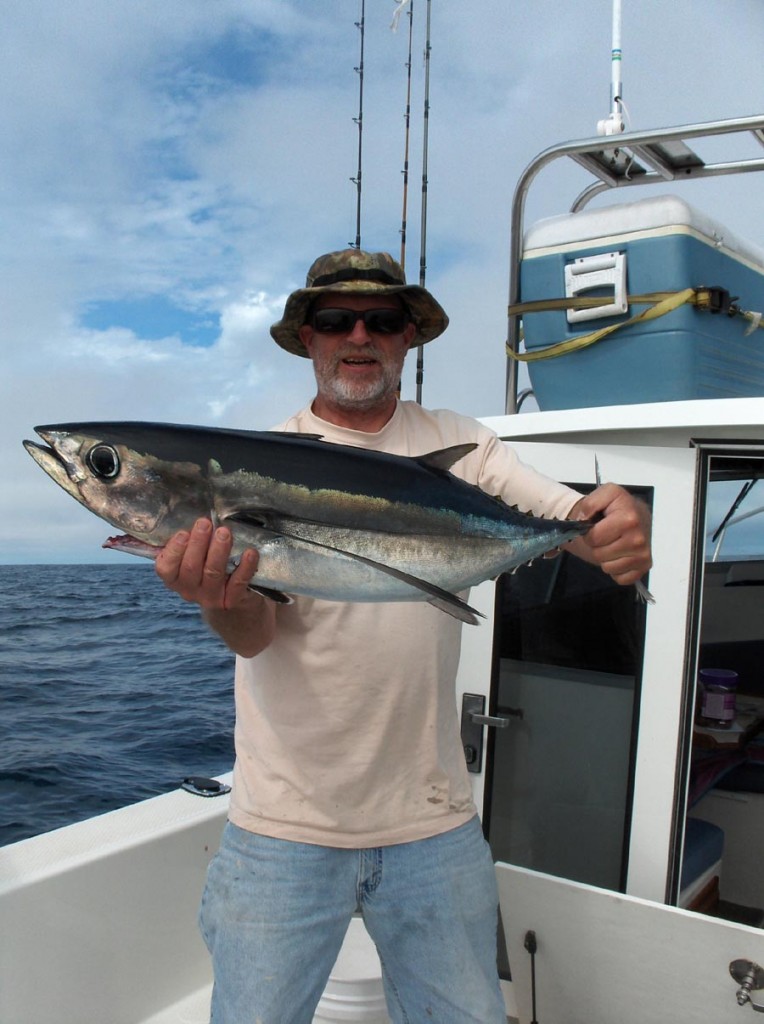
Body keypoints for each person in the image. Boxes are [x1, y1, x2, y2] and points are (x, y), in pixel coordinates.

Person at [156, 249, 652, 1024]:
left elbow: (567, 518)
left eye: (382, 320)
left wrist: (611, 523)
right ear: (307, 339)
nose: (359, 336)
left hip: (433, 823)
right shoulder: (260, 462)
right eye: (335, 320)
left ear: (408, 338)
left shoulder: (464, 445)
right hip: (283, 827)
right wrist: (217, 599)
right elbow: (254, 638)